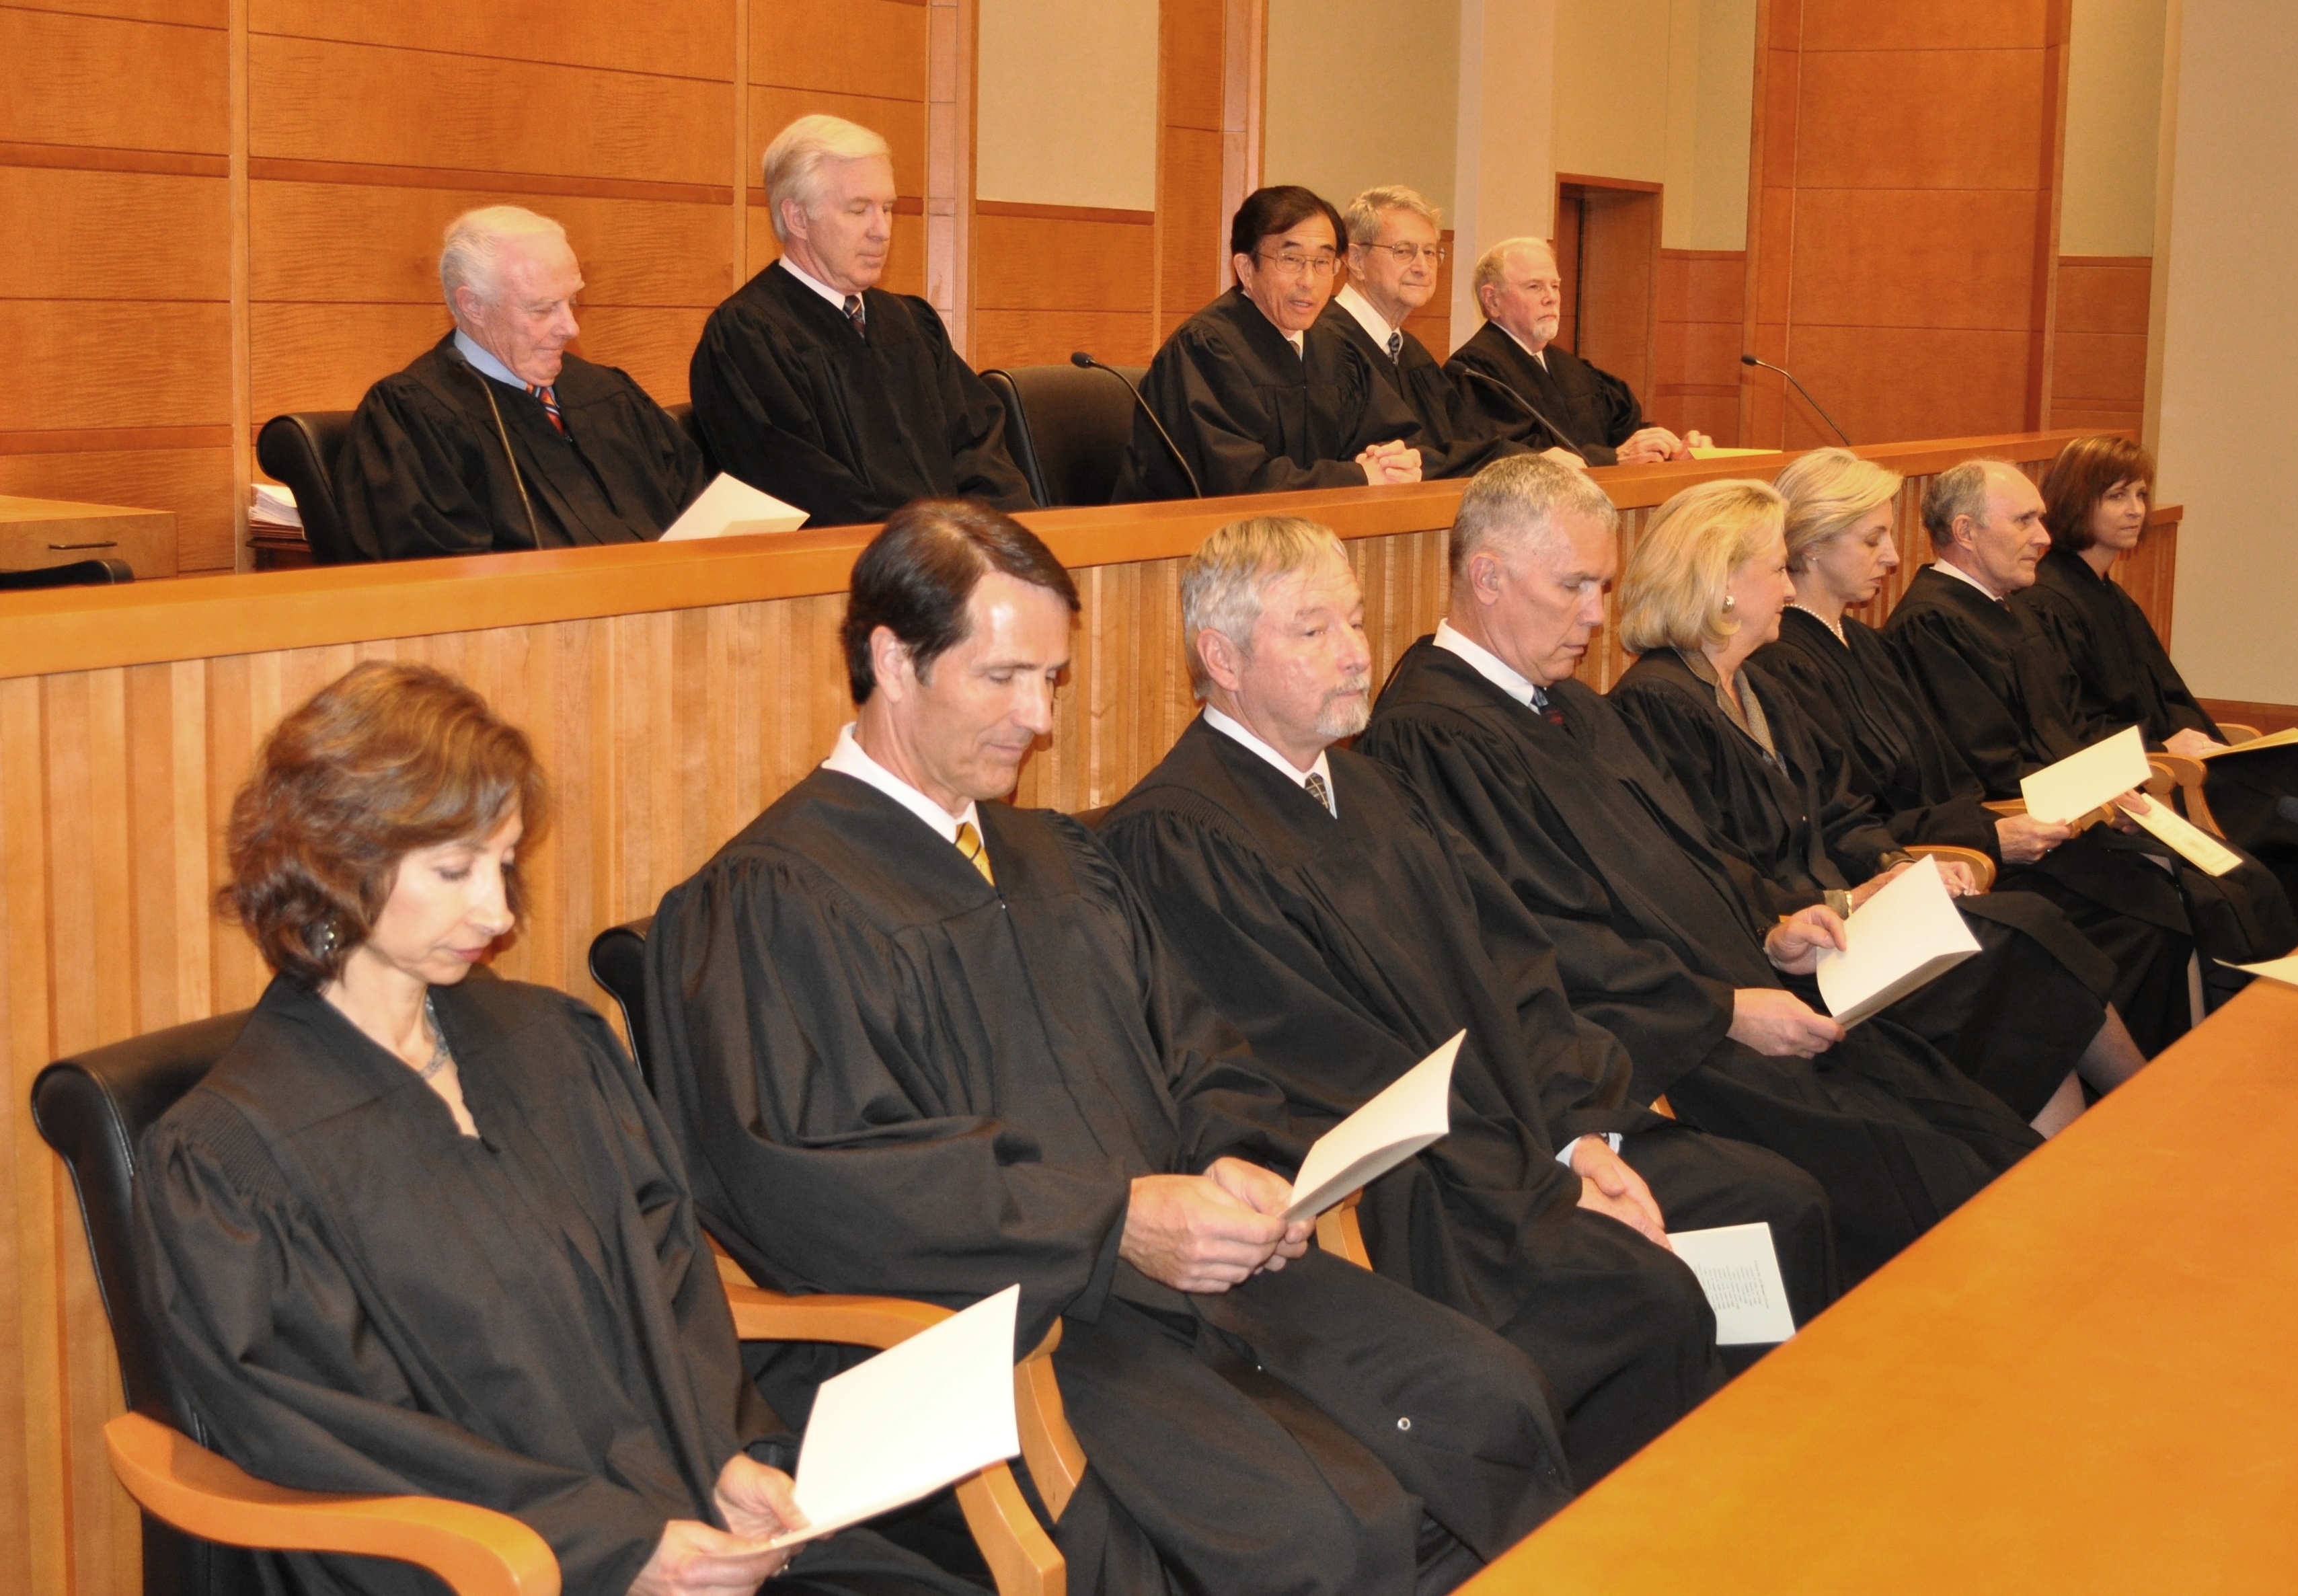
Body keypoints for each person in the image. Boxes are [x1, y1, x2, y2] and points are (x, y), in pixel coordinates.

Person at [642, 500, 1573, 1596]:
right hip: (996, 1338)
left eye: (1051, 679)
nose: (1037, 718)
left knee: (1490, 1399)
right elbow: (821, 1192)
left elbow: (1198, 1050)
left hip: (1193, 1285)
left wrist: (1234, 1158)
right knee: (1311, 1528)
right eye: (1002, 677)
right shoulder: (773, 901)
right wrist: (1112, 1223)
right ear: (892, 661)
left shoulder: (1054, 857)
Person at [135, 662, 979, 1596]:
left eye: (502, 864)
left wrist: (723, 1458)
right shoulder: (232, 1163)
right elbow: (344, 1442)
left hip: (688, 1528)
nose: (498, 912)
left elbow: (668, 1285)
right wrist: (616, 1549)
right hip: (498, 1569)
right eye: (453, 871)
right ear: (335, 862)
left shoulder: (549, 1046)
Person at [1100, 517, 1839, 1479]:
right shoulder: (1180, 837)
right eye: (1313, 631)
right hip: (1416, 1195)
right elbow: (1328, 1067)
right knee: (1645, 1298)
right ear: (1222, 658)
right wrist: (1546, 1180)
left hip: (1519, 1134)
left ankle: (1768, 1486)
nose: (1355, 653)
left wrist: (1579, 1135)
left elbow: (1513, 969)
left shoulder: (1371, 789)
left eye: (1355, 620)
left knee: (1778, 1201)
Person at [1358, 456, 2043, 1285]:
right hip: (1664, 1045)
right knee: (1925, 1185)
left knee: (1980, 1133)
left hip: (1747, 992)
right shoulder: (1431, 734)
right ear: (1488, 576)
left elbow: (1691, 853)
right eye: (1574, 587)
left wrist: (1773, 926)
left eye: (1602, 587)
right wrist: (1721, 1011)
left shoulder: (1568, 704)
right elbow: (1538, 937)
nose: (1596, 615)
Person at [1605, 479, 2145, 1132]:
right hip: (1788, 953)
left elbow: (1838, 813)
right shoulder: (1658, 703)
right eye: (1777, 570)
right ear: (1720, 582)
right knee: (2015, 952)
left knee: (2026, 937)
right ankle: (2132, 1124)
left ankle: (2118, 1135)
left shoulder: (1757, 686)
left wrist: (1895, 866)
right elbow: (1707, 874)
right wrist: (1845, 901)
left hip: (1846, 924)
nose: (1788, 590)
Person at [1759, 447, 2209, 1055]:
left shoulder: (1862, 644)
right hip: (1901, 871)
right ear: (1811, 546)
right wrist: (1990, 835)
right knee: (2092, 925)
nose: (1893, 556)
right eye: (1873, 539)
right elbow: (1850, 816)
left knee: (2147, 897)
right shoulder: (1785, 664)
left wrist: (2005, 824)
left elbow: (1946, 776)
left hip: (1956, 846)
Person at [1882, 459, 2298, 973]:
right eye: (2024, 520)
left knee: (2242, 878)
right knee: (2197, 907)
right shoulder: (1932, 623)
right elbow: (1990, 764)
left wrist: (2112, 784)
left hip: (2086, 812)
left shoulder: (2009, 607)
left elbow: (2069, 724)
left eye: (2040, 519)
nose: (2043, 536)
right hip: (2036, 831)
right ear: (1965, 532)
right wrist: (2094, 798)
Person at [2013, 435, 2298, 932]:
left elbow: (2166, 694)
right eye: (2117, 496)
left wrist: (2201, 738)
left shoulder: (2109, 594)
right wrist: (2160, 746)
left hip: (2180, 757)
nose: (2136, 510)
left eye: (2140, 494)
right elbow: (2071, 723)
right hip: (2152, 775)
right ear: (2076, 501)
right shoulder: (2048, 601)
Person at [690, 115, 1034, 527]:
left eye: (887, 208)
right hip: (855, 560)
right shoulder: (748, 337)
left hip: (947, 553)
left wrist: (1003, 536)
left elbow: (979, 451)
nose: (882, 230)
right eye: (859, 210)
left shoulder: (910, 324)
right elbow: (803, 492)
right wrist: (921, 546)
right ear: (798, 218)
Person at [336, 206, 708, 560]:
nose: (570, 328)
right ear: (473, 306)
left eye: (572, 302)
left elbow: (701, 517)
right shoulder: (412, 418)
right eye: (543, 309)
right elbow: (439, 577)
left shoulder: (609, 394)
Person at [1116, 186, 1424, 501]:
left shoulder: (1336, 348)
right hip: (1200, 531)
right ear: (1246, 269)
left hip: (1316, 528)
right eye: (1291, 259)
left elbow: (1395, 436)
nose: (1309, 281)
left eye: (1323, 261)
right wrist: (1357, 478)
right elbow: (1238, 482)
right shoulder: (1205, 350)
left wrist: (1395, 463)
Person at [1312, 187, 1574, 478]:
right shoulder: (1325, 345)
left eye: (1429, 252)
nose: (1422, 267)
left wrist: (1527, 460)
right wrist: (1520, 460)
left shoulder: (1411, 352)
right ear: (1357, 260)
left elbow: (1463, 444)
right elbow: (1389, 458)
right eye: (1403, 251)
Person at [1444, 239, 1704, 465]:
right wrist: (1610, 458)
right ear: (1492, 300)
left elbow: (1626, 432)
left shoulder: (1571, 368)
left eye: (1555, 286)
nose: (1551, 298)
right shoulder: (1475, 371)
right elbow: (1515, 458)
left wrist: (1670, 449)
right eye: (1534, 287)